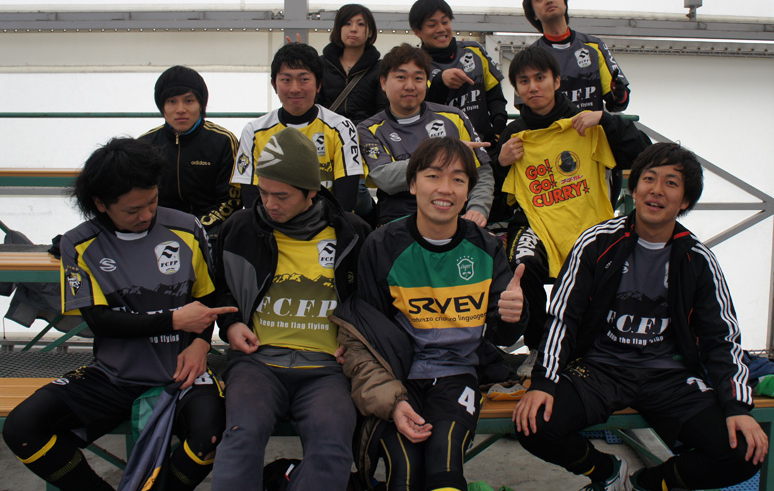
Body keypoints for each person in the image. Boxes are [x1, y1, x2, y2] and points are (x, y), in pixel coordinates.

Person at [514, 142, 768, 490]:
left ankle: (645, 484)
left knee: (743, 454)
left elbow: (721, 339)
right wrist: (544, 381)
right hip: (599, 370)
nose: (657, 190)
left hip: (669, 377)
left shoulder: (697, 258)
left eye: (671, 183)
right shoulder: (596, 242)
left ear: (685, 201)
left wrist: (738, 407)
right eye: (649, 178)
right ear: (634, 189)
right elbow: (563, 318)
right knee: (534, 424)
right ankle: (607, 472)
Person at [3, 137, 235, 491]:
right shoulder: (78, 243)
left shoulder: (187, 228)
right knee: (22, 429)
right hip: (113, 375)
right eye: (132, 210)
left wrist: (200, 344)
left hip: (182, 371)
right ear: (100, 204)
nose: (146, 215)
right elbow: (100, 321)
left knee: (210, 437)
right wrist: (173, 320)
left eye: (153, 202)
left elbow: (206, 299)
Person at [333, 136, 528, 491]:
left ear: (468, 191)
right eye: (433, 176)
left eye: (458, 179)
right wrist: (392, 400)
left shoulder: (485, 246)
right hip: (398, 375)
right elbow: (368, 332)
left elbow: (503, 335)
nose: (445, 188)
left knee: (445, 468)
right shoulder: (382, 245)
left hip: (458, 373)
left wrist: (514, 313)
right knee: (405, 473)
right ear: (412, 184)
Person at [211, 127, 371, 491]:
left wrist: (356, 342)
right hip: (257, 363)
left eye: (281, 196)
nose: (269, 204)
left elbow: (370, 302)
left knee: (332, 448)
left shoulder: (352, 233)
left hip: (327, 368)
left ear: (311, 191)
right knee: (241, 436)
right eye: (263, 192)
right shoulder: (240, 228)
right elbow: (218, 289)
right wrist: (232, 324)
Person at [497, 47, 649, 374]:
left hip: (588, 223)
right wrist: (501, 162)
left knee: (607, 268)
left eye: (540, 78)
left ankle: (587, 349)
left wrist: (606, 119)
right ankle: (539, 348)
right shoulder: (514, 135)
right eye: (524, 81)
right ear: (516, 89)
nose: (533, 87)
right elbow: (498, 200)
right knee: (522, 264)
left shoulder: (587, 125)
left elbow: (645, 156)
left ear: (556, 81)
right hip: (536, 223)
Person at [358, 43, 494, 227]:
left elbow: (481, 172)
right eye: (401, 77)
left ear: (427, 82)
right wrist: (443, 154)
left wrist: (477, 208)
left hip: (453, 218)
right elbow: (385, 178)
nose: (410, 86)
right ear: (383, 82)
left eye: (418, 78)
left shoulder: (455, 117)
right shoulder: (368, 129)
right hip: (398, 221)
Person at [231, 43, 364, 212]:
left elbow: (346, 199)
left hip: (327, 221)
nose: (295, 89)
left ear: (319, 84)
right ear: (274, 85)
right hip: (271, 221)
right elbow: (251, 199)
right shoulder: (253, 131)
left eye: (304, 79)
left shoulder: (342, 128)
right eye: (286, 80)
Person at [141, 65, 242, 245]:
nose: (180, 109)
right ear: (162, 106)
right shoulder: (145, 145)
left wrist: (194, 227)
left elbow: (231, 201)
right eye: (172, 101)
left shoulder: (224, 141)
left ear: (201, 104)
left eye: (189, 101)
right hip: (157, 228)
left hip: (211, 231)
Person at [319, 3, 388, 221]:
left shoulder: (380, 68)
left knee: (357, 192)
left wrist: (364, 134)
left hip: (360, 139)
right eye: (347, 24)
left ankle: (367, 221)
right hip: (326, 137)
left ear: (370, 31)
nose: (354, 29)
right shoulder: (322, 64)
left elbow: (382, 110)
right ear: (338, 29)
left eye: (361, 24)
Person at [520, 0, 630, 113]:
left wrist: (619, 94)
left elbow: (616, 103)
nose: (548, 0)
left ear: (565, 3)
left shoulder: (594, 46)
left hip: (591, 126)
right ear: (534, 15)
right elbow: (526, 109)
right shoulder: (530, 57)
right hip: (553, 127)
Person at [410, 0, 507, 146]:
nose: (441, 29)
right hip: (442, 149)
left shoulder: (475, 50)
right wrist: (440, 82)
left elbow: (495, 97)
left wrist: (498, 128)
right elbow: (419, 112)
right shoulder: (415, 65)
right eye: (432, 25)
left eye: (445, 22)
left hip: (483, 146)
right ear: (417, 32)